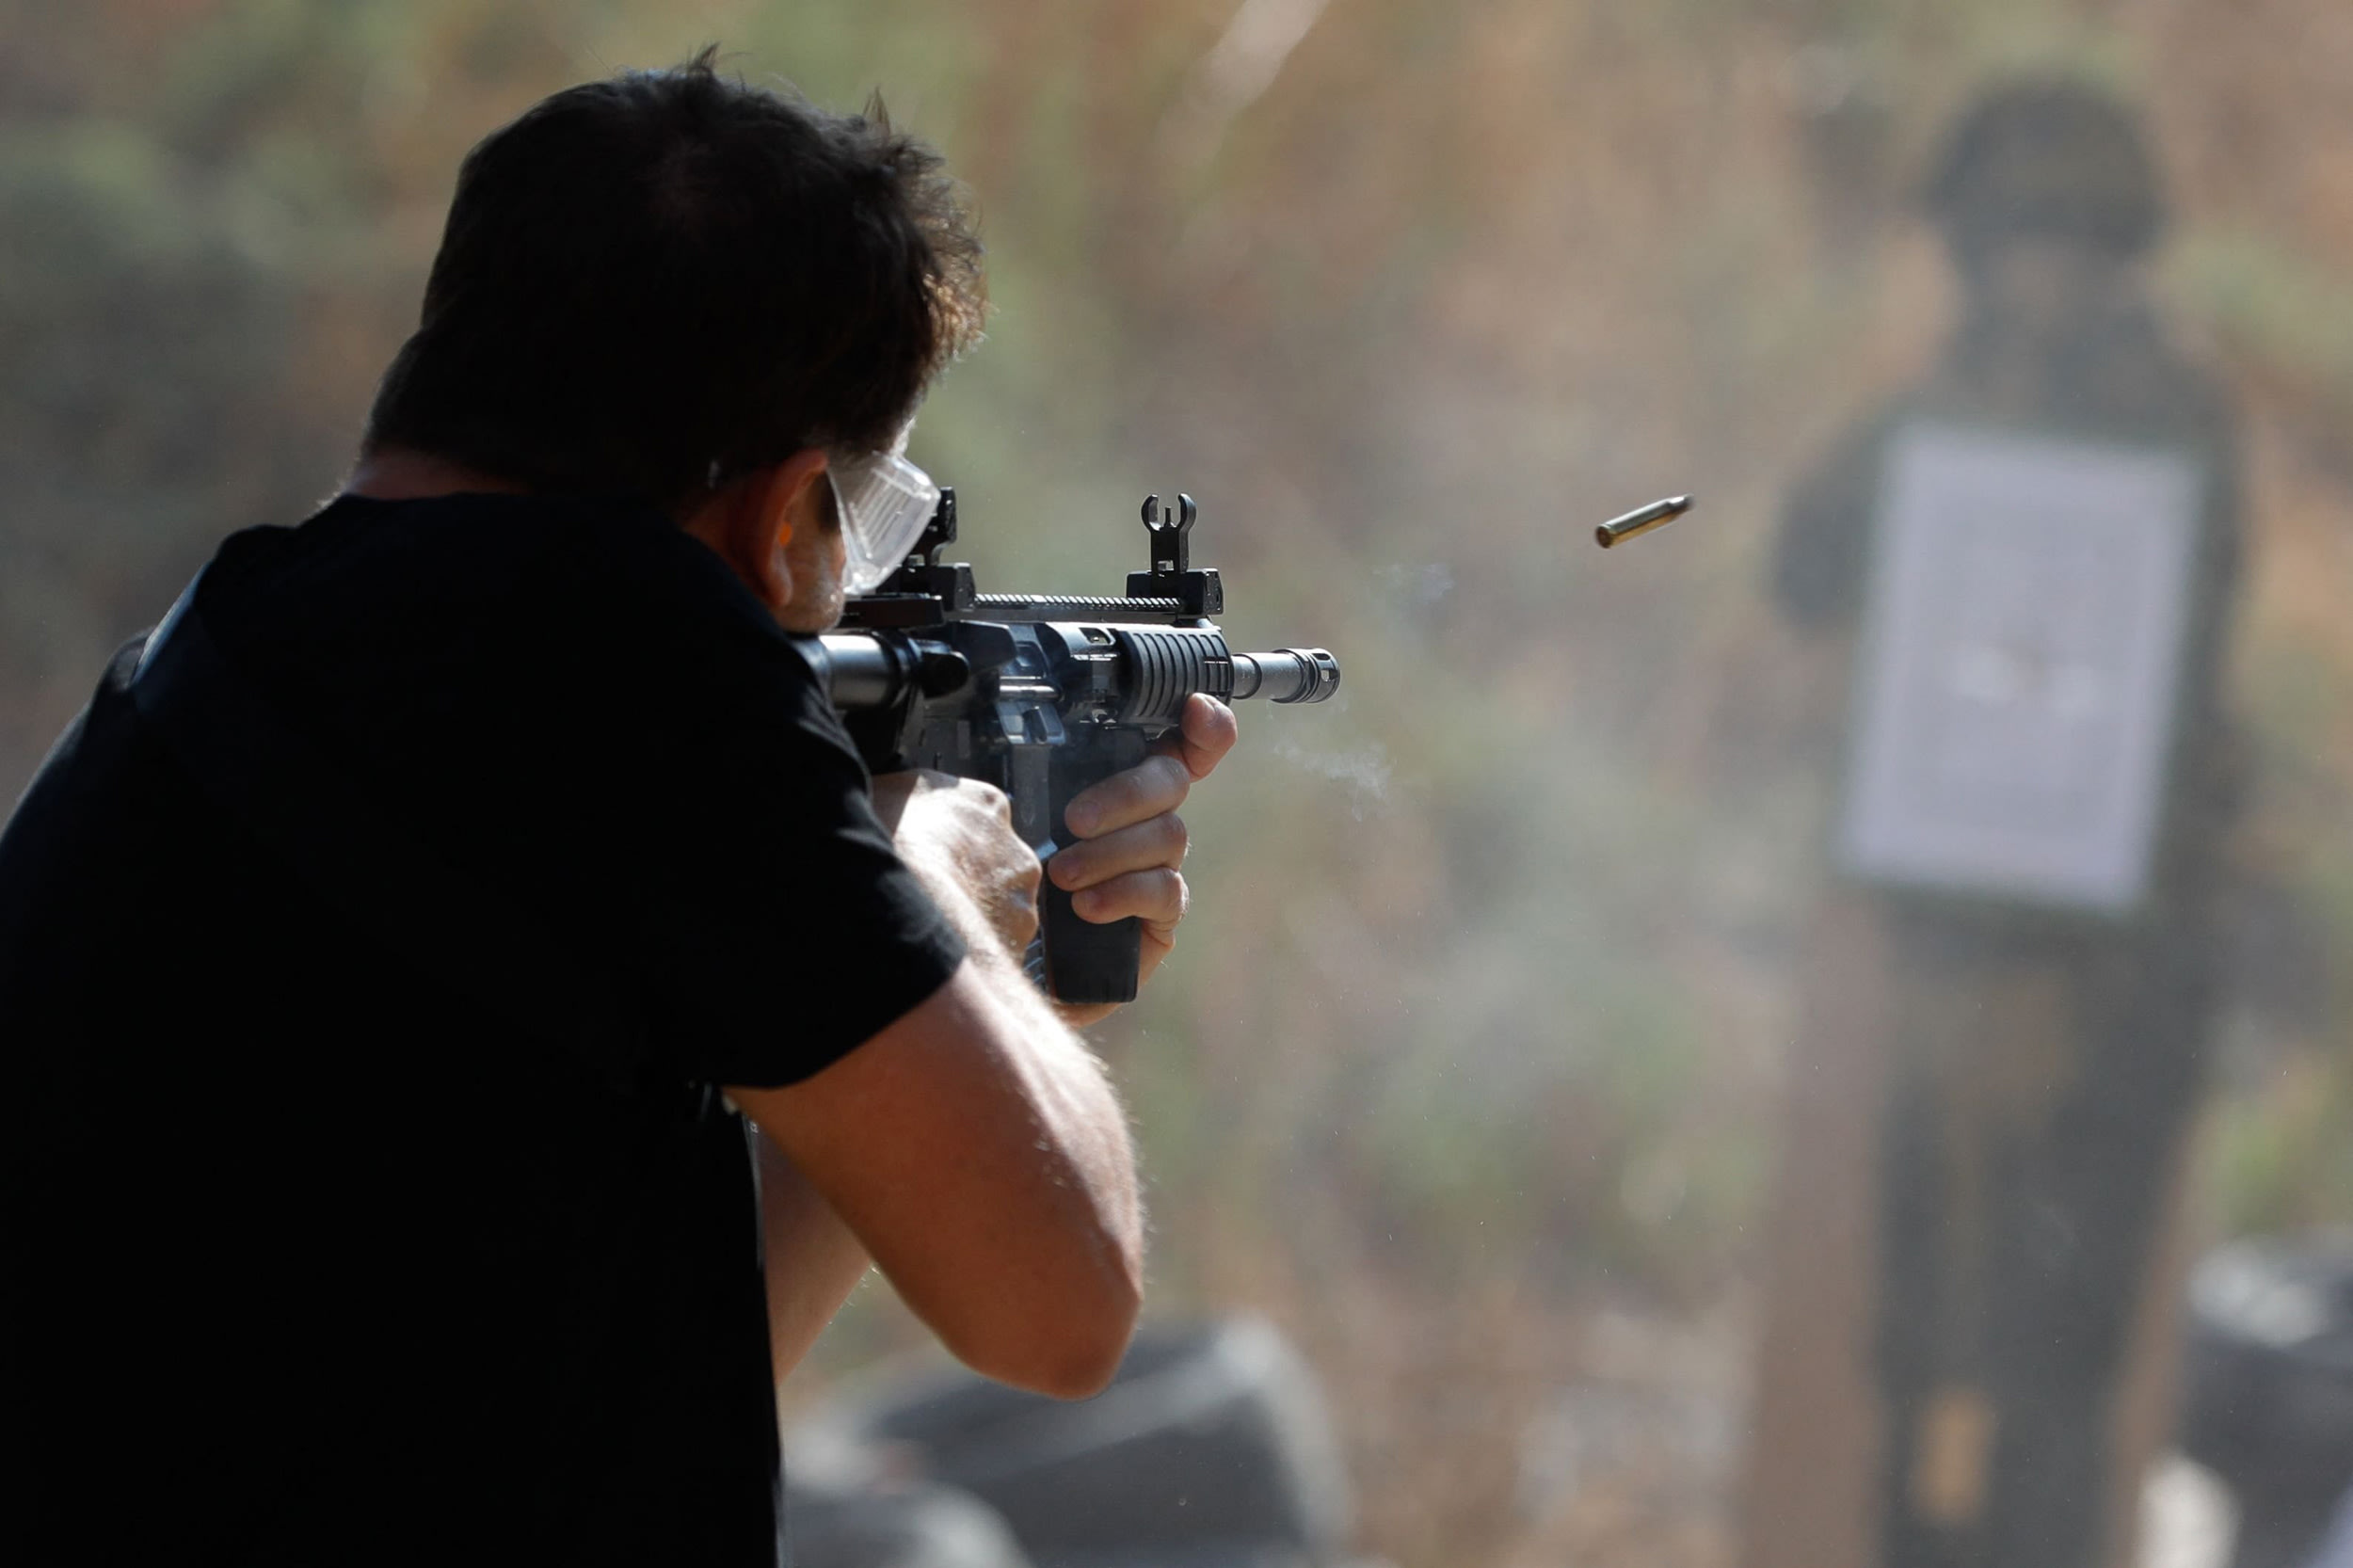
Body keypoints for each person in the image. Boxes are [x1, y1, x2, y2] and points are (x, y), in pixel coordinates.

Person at [0, 52, 1236, 1566]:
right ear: (784, 514)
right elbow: (1061, 1308)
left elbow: (667, 1377)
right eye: (859, 520)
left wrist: (976, 1011)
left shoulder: (225, 648)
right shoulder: (638, 658)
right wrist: (945, 913)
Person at [1762, 80, 2244, 1568]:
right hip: (1950, 950)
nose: (2038, 274)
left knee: (2054, 1363)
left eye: (2063, 243)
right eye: (2022, 242)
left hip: (2108, 969)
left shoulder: (2164, 425)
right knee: (1917, 1348)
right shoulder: (1948, 409)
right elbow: (1801, 568)